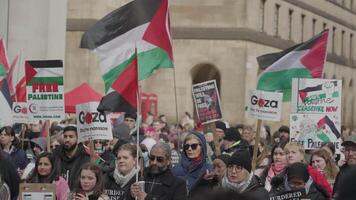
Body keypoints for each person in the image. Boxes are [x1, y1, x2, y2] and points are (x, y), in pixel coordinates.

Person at [53, 125, 90, 190]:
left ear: (78, 139)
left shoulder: (86, 157)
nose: (67, 139)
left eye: (71, 137)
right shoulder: (55, 155)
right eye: (65, 137)